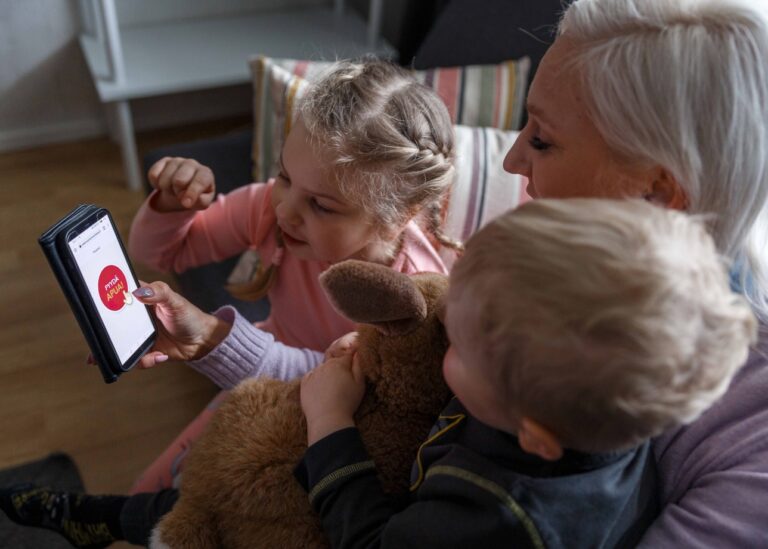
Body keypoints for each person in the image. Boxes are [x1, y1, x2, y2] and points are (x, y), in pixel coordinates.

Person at [1, 198, 757, 548]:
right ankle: (86, 515)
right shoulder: (604, 425)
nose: (439, 338)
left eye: (455, 342)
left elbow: (367, 538)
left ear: (536, 432)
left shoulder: (495, 514)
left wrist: (330, 422)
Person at [125, 57, 461, 492]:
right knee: (150, 491)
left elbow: (333, 388)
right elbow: (164, 251)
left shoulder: (409, 302)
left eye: (321, 205)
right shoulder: (273, 209)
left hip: (341, 439)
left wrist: (213, 337)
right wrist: (174, 207)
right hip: (256, 381)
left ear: (399, 216)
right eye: (284, 175)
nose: (285, 209)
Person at [501, 0, 768, 545]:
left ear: (656, 193)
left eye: (542, 140)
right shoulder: (544, 273)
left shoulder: (750, 437)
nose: (511, 161)